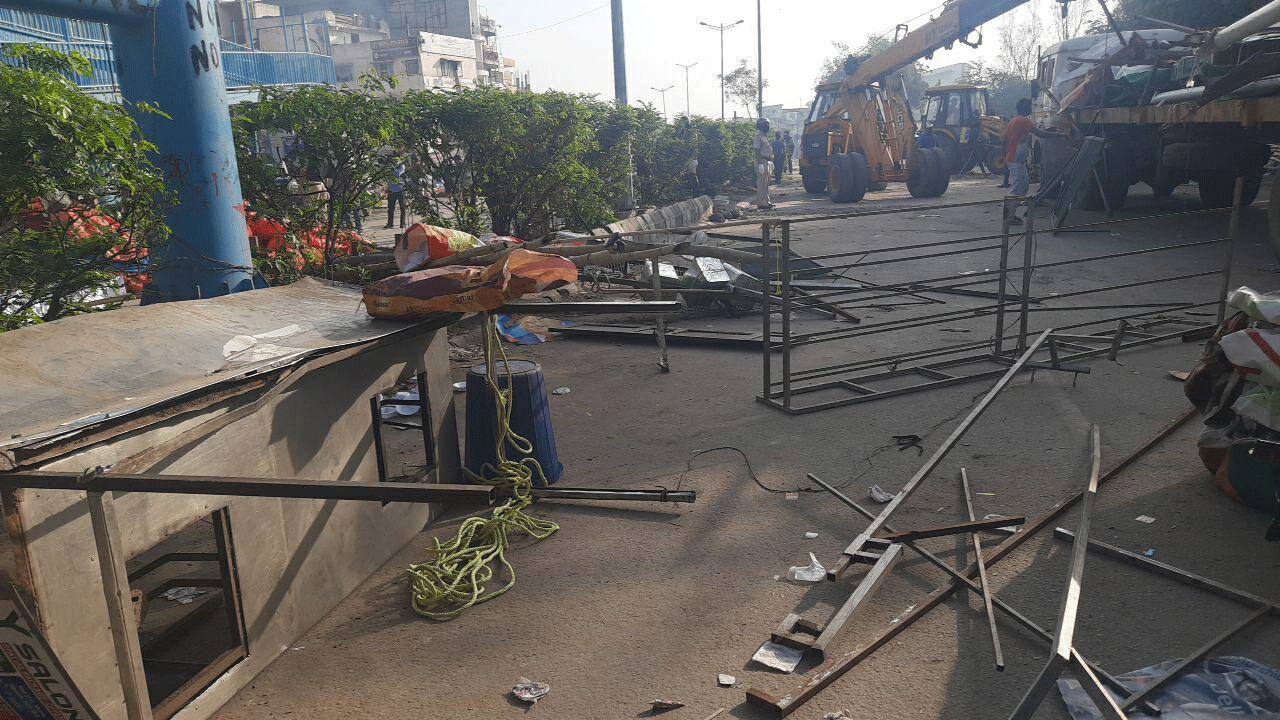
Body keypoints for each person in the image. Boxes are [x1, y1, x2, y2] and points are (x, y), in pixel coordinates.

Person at [1004, 98, 1061, 225]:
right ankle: (1008, 217)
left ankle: (1010, 215)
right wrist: (1058, 134)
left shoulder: (1014, 120)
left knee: (1023, 188)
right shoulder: (1024, 121)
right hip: (1016, 159)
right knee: (1017, 189)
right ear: (1025, 108)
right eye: (1030, 106)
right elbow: (1040, 134)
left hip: (1015, 159)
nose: (1031, 108)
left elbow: (1006, 140)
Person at [754, 118, 774, 209]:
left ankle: (766, 201)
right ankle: (761, 203)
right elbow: (757, 150)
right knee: (762, 183)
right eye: (766, 124)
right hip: (762, 161)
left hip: (767, 161)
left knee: (766, 183)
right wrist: (760, 163)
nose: (768, 126)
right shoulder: (758, 136)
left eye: (768, 124)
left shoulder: (765, 136)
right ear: (761, 125)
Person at [384, 161, 407, 229]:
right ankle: (390, 223)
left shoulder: (401, 166)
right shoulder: (390, 168)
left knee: (402, 208)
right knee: (390, 208)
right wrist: (387, 188)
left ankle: (402, 223)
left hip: (400, 190)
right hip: (391, 190)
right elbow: (388, 178)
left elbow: (398, 174)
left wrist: (393, 169)